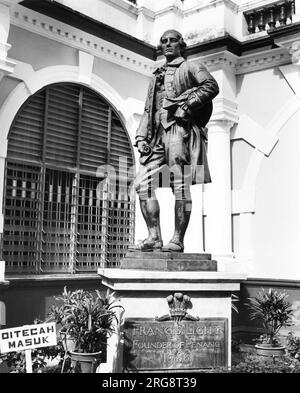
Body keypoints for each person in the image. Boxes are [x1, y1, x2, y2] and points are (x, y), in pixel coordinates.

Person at [128, 30, 219, 252]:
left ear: (181, 45)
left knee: (180, 185)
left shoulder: (190, 67)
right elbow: (149, 108)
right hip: (157, 136)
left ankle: (177, 240)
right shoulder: (156, 75)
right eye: (164, 41)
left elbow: (211, 86)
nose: (167, 44)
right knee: (142, 184)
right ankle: (154, 238)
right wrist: (141, 136)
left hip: (179, 131)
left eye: (172, 41)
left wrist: (187, 106)